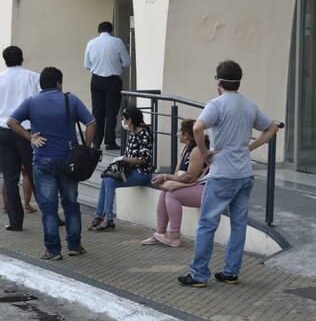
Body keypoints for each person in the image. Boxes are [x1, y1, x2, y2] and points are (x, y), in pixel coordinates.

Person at [178, 60, 278, 288]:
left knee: (207, 223)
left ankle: (199, 274)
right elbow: (272, 128)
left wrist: (204, 152)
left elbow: (197, 127)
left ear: (219, 82)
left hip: (222, 173)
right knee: (239, 224)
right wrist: (251, 147)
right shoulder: (249, 105)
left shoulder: (216, 104)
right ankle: (231, 272)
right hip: (244, 173)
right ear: (239, 81)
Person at [7, 67, 96, 260]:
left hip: (43, 160)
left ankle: (53, 250)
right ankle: (74, 245)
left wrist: (31, 137)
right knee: (71, 204)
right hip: (69, 161)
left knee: (48, 208)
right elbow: (91, 123)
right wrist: (86, 148)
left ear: (41, 84)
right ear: (59, 83)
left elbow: (11, 121)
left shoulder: (31, 102)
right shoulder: (70, 100)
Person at [0, 45, 40, 231]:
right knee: (36, 174)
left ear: (4, 60)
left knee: (10, 178)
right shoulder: (34, 77)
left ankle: (16, 222)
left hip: (5, 131)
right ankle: (50, 216)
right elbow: (42, 103)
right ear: (22, 58)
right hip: (28, 132)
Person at [143, 119, 209, 247]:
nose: (177, 134)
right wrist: (168, 181)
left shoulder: (197, 150)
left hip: (207, 189)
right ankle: (160, 233)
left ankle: (174, 236)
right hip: (196, 186)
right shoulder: (186, 148)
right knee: (166, 190)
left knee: (172, 194)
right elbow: (177, 173)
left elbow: (190, 178)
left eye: (179, 131)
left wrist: (164, 176)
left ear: (187, 135)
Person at [90, 106, 153, 231]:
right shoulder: (132, 133)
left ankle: (108, 219)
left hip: (142, 173)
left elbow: (144, 159)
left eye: (124, 119)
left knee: (109, 181)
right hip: (130, 170)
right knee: (106, 179)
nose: (123, 122)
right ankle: (99, 216)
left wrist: (123, 158)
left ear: (130, 120)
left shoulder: (144, 134)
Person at [84, 21, 130, 150]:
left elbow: (87, 64)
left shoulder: (91, 43)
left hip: (96, 80)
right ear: (111, 31)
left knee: (97, 112)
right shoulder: (117, 42)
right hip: (113, 80)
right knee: (111, 112)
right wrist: (117, 67)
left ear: (98, 31)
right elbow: (127, 62)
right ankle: (110, 142)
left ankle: (96, 142)